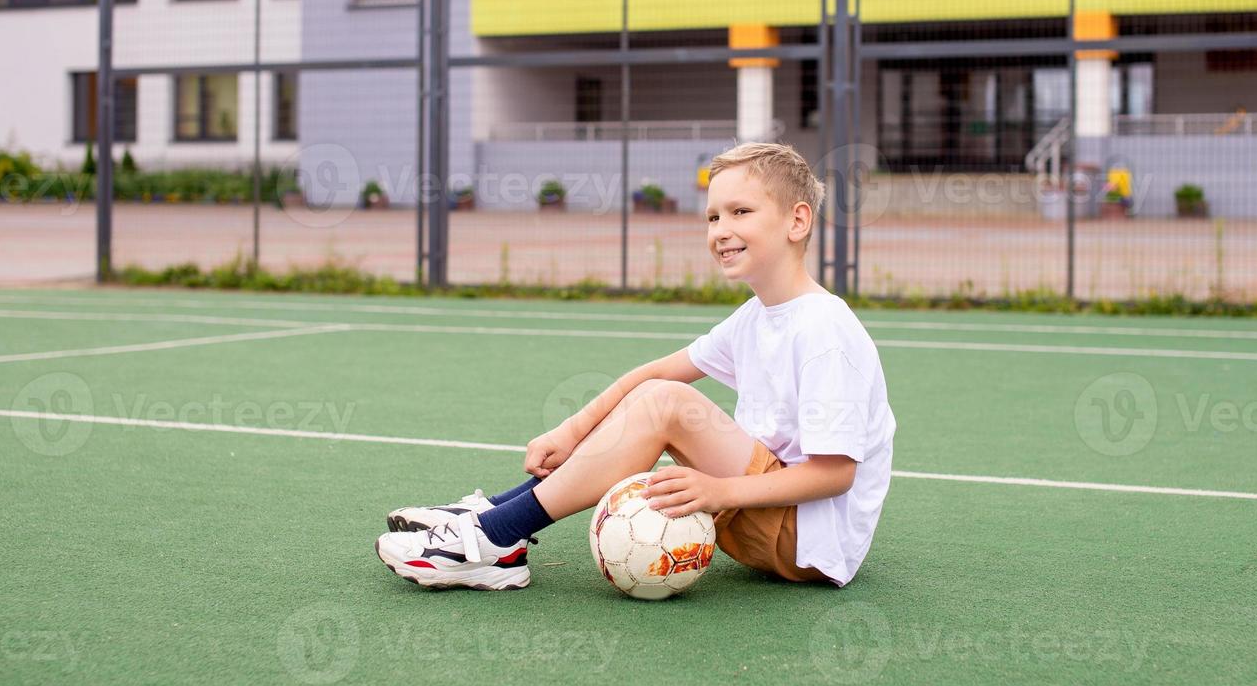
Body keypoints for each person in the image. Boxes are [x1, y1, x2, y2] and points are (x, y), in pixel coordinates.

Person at [375, 142, 896, 590]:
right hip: (764, 511)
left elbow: (836, 474)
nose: (721, 229)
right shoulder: (755, 316)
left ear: (797, 220)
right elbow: (653, 375)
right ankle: (491, 516)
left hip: (810, 541)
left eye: (741, 212)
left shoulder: (825, 328)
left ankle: (492, 539)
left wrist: (720, 491)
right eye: (713, 216)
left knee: (666, 405)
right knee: (658, 398)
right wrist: (573, 428)